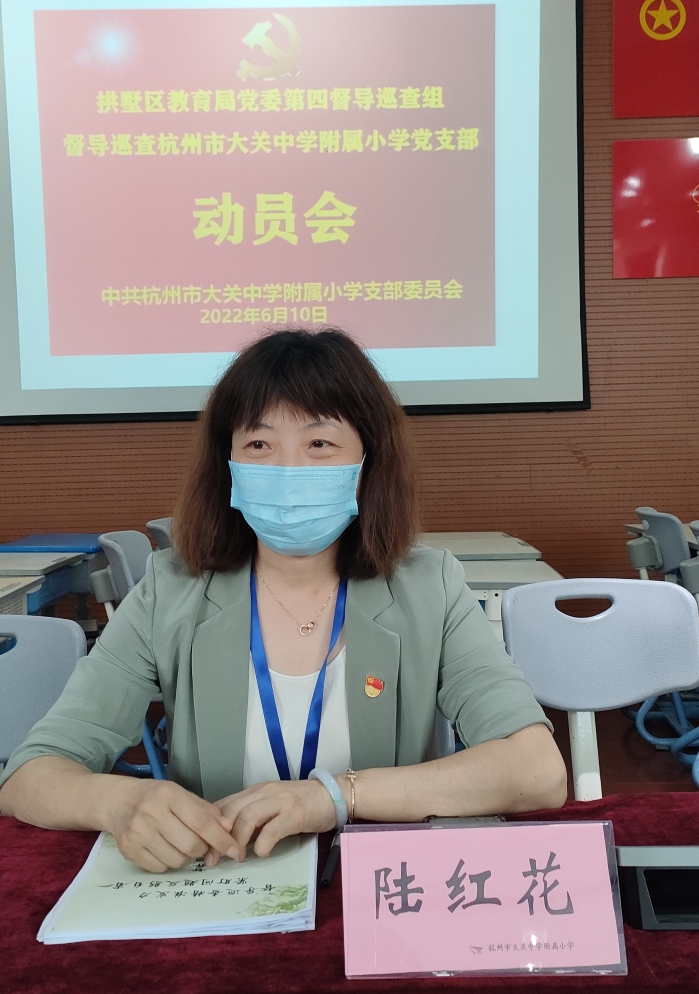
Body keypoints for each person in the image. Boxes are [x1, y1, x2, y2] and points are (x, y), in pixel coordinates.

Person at [0, 329, 566, 873]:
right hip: (221, 885)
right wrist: (121, 803)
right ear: (227, 464)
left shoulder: (429, 587)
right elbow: (31, 775)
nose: (288, 469)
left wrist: (335, 797)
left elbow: (537, 771)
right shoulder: (170, 590)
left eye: (319, 443)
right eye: (259, 444)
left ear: (368, 462)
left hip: (377, 892)